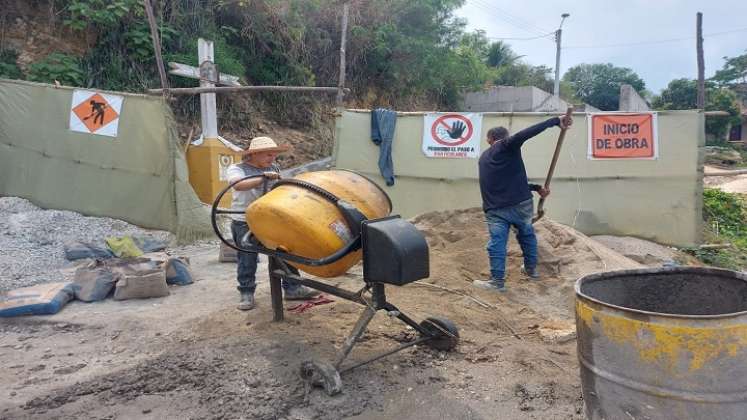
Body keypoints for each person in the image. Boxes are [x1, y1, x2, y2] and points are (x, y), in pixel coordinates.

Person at [473, 115, 573, 293]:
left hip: (495, 209)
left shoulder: (484, 159)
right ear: (505, 137)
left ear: (489, 139)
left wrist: (536, 187)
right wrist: (555, 121)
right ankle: (531, 270)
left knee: (497, 243)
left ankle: (497, 282)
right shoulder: (507, 145)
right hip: (521, 204)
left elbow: (508, 182)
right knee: (526, 235)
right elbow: (526, 134)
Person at [227, 136, 319, 310]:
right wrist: (263, 178)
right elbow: (238, 185)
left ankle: (293, 288)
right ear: (254, 155)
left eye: (273, 155)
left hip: (270, 219)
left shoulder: (274, 168)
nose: (272, 158)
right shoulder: (237, 169)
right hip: (244, 221)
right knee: (247, 257)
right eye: (268, 155)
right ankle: (246, 293)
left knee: (284, 253)